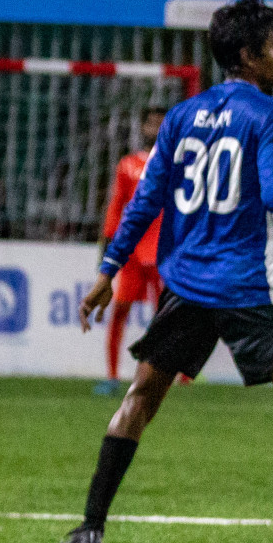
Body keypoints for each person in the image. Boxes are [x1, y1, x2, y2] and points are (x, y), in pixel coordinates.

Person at [61, 0, 273, 543]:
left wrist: (107, 272)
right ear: (248, 56)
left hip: (187, 284)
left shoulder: (181, 116)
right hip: (248, 283)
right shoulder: (269, 116)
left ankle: (89, 529)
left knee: (141, 397)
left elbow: (145, 202)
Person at [94, 106, 168, 396]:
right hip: (135, 254)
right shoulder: (128, 165)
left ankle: (175, 376)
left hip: (165, 253)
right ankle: (112, 376)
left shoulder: (178, 164)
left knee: (168, 317)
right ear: (143, 128)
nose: (156, 129)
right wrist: (107, 244)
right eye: (151, 123)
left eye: (162, 124)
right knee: (120, 310)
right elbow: (116, 207)